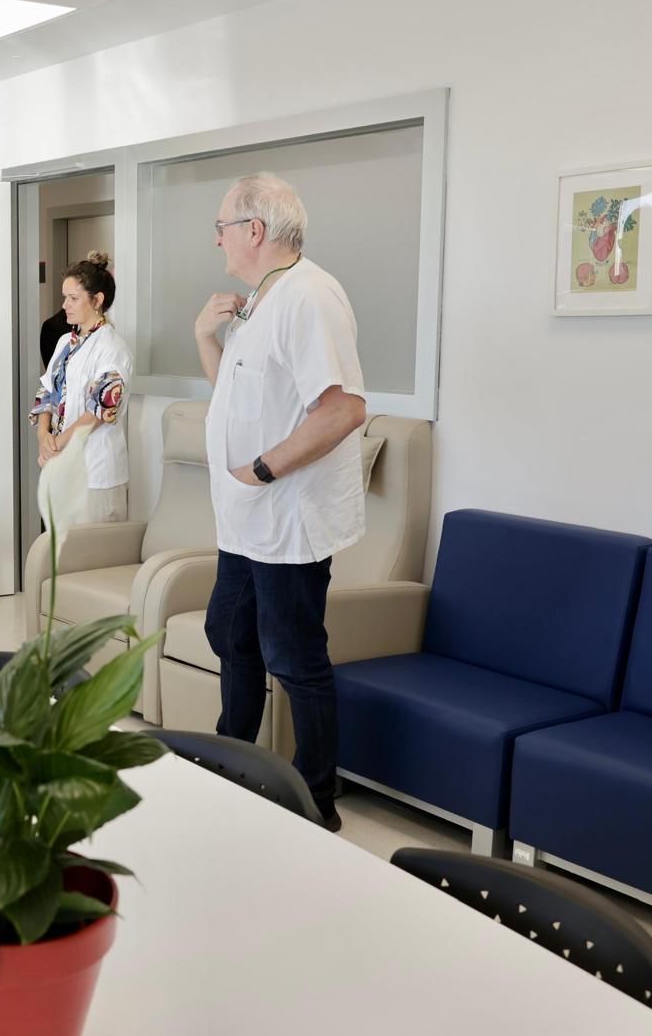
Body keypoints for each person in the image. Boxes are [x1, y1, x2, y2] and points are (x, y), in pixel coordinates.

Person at [195, 173, 368, 832]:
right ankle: (232, 765)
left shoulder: (310, 297)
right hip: (243, 521)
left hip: (286, 520)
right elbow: (238, 396)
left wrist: (264, 469)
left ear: (254, 230)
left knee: (295, 658)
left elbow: (344, 408)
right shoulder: (261, 299)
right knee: (230, 636)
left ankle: (316, 800)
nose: (218, 240)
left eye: (222, 227)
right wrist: (205, 337)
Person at [29, 252, 132, 523]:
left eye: (73, 298)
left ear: (97, 300)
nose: (65, 305)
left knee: (92, 560)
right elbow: (46, 391)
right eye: (65, 297)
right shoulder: (66, 341)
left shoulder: (112, 348)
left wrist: (55, 446)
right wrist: (43, 436)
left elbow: (100, 411)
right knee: (60, 558)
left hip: (95, 475)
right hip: (61, 467)